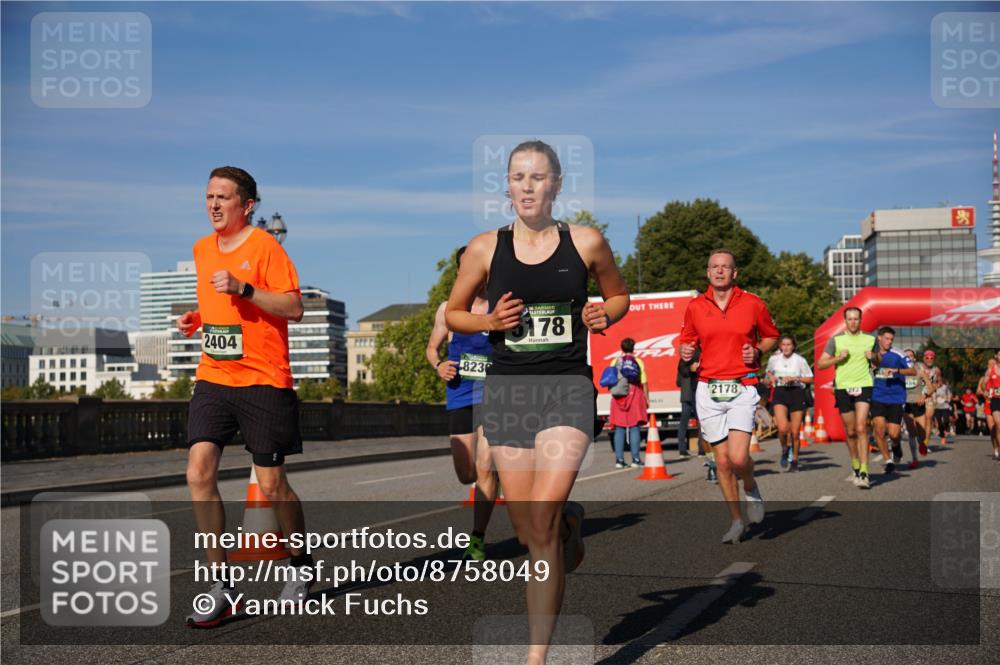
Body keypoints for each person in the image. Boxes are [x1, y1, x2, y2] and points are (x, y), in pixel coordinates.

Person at [445, 140, 629, 664]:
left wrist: (604, 315)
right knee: (530, 530)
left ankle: (535, 658)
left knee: (539, 518)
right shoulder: (485, 248)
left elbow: (619, 295)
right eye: (518, 177)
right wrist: (489, 322)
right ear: (506, 186)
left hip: (566, 387)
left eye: (538, 177)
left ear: (557, 185)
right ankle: (569, 527)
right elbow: (455, 312)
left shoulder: (586, 242)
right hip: (507, 392)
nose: (528, 186)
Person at [180, 166, 312, 627]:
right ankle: (221, 584)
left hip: (263, 380)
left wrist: (246, 288)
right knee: (198, 472)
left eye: (223, 197)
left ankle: (299, 565)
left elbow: (294, 307)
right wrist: (197, 319)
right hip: (214, 376)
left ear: (247, 205)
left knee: (272, 484)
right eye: (209, 197)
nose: (214, 205)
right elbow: (220, 308)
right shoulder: (201, 249)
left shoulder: (266, 247)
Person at [679, 249, 779, 544]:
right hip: (708, 388)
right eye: (714, 267)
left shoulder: (753, 303)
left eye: (726, 267)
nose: (720, 271)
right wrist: (685, 351)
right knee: (721, 462)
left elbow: (771, 335)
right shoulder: (696, 306)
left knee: (737, 457)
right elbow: (686, 340)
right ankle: (737, 521)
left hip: (742, 385)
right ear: (708, 273)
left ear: (735, 273)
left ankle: (750, 485)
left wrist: (758, 350)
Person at [426, 246, 499, 561]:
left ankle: (478, 538)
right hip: (459, 394)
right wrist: (438, 365)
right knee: (466, 473)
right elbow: (432, 348)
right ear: (460, 271)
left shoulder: (499, 306)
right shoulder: (448, 309)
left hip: (494, 394)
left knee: (485, 466)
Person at [817, 307, 875, 489]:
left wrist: (874, 357)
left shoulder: (870, 339)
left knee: (861, 427)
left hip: (864, 384)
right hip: (843, 387)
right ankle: (856, 465)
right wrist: (837, 358)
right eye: (849, 319)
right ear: (845, 321)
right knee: (850, 431)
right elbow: (820, 364)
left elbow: (879, 361)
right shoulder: (836, 340)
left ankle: (865, 472)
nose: (853, 322)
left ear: (860, 320)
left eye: (856, 319)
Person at [868, 327, 915, 476]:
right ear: (879, 338)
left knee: (894, 433)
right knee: (879, 429)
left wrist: (897, 371)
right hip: (877, 396)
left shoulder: (898, 353)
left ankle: (896, 445)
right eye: (887, 338)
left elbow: (913, 371)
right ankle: (888, 461)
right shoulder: (871, 354)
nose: (889, 342)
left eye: (891, 339)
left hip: (896, 397)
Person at [765, 333, 813, 472]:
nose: (786, 348)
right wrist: (770, 378)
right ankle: (785, 449)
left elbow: (810, 379)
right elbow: (768, 372)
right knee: (782, 428)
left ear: (793, 346)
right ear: (780, 346)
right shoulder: (774, 359)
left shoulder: (800, 360)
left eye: (789, 345)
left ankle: (795, 461)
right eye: (783, 345)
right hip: (780, 393)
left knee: (795, 432)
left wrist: (796, 378)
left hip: (796, 393)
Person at [607, 337, 649, 468]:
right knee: (634, 426)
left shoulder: (614, 361)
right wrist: (647, 398)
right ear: (633, 348)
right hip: (634, 393)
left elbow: (610, 379)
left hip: (618, 395)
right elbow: (644, 382)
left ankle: (619, 460)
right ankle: (635, 459)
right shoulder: (638, 362)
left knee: (619, 427)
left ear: (622, 348)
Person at [901, 348, 927, 467]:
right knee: (911, 433)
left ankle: (922, 443)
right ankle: (914, 459)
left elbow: (929, 386)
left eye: (910, 356)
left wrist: (924, 395)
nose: (908, 357)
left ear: (914, 358)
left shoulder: (920, 371)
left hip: (918, 402)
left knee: (921, 433)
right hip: (906, 403)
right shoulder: (900, 371)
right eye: (906, 356)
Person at [675, 348, 700, 459]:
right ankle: (702, 449)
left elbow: (678, 382)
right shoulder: (698, 359)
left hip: (685, 395)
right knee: (701, 422)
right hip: (696, 394)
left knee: (683, 423)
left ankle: (682, 450)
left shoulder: (682, 363)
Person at [919, 350, 942, 447]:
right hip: (918, 396)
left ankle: (926, 442)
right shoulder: (919, 368)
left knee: (929, 418)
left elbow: (939, 382)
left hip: (930, 396)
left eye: (931, 358)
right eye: (927, 358)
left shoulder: (936, 370)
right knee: (921, 419)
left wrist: (935, 386)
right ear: (924, 358)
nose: (929, 360)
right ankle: (920, 437)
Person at [982, 351, 1000, 461]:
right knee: (996, 425)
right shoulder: (990, 370)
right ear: (996, 356)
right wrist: (985, 390)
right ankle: (996, 450)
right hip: (994, 400)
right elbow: (984, 384)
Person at [932, 380, 953, 445]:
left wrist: (947, 398)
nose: (939, 383)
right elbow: (931, 394)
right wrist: (934, 399)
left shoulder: (945, 387)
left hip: (945, 406)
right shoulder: (933, 387)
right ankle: (943, 437)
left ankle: (946, 429)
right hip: (937, 407)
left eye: (940, 381)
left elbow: (950, 395)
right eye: (937, 382)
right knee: (939, 422)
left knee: (946, 421)